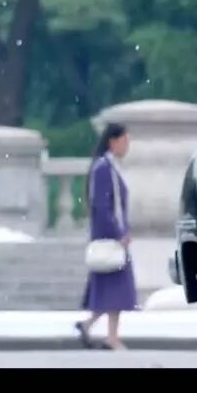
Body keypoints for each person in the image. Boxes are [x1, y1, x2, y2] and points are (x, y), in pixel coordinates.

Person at [75, 123, 137, 351]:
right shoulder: (104, 168)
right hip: (109, 239)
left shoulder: (109, 167)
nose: (127, 146)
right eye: (125, 141)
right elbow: (101, 206)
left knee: (112, 288)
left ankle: (95, 327)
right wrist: (118, 233)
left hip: (112, 237)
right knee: (114, 287)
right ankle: (109, 335)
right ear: (113, 141)